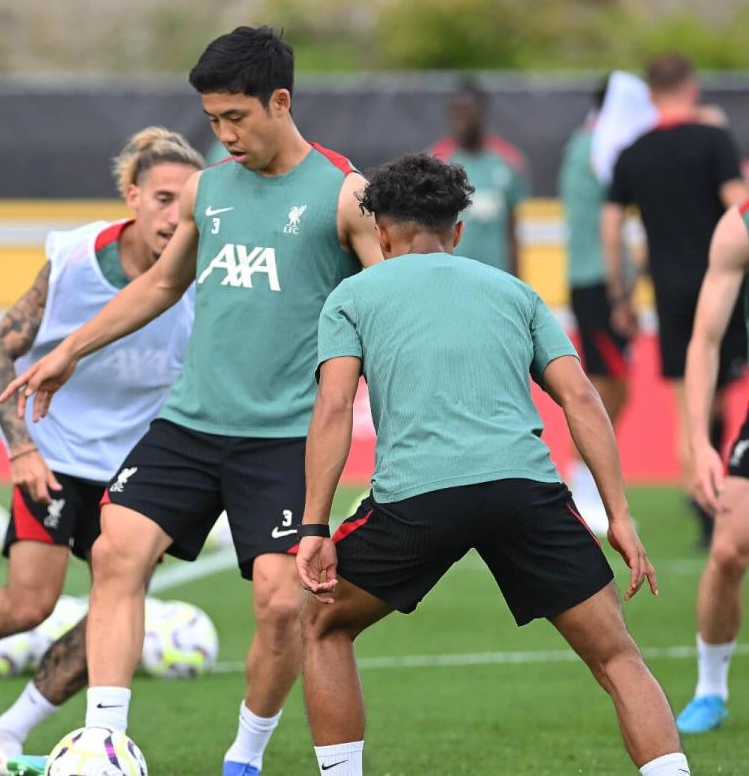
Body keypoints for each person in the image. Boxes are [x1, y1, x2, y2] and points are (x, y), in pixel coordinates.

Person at [2, 26, 381, 776]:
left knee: (281, 606)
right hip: (189, 424)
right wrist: (69, 350)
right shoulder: (210, 188)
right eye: (212, 120)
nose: (223, 134)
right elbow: (162, 284)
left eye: (236, 117)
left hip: (283, 438)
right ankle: (105, 742)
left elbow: (391, 301)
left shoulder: (345, 195)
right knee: (116, 551)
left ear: (280, 101)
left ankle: (244, 755)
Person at [298, 152, 686, 776]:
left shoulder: (352, 296)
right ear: (457, 230)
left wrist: (316, 528)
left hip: (417, 499)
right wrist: (619, 514)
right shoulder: (515, 292)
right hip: (526, 493)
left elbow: (335, 405)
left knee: (322, 623)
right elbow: (581, 398)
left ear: (382, 232)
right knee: (616, 656)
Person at [0, 128, 202, 774]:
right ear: (132, 195)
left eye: (188, 203)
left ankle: (9, 732)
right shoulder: (77, 258)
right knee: (30, 604)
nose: (175, 216)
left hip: (141, 465)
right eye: (163, 198)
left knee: (120, 607)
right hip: (53, 451)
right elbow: (0, 349)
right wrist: (21, 448)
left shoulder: (211, 268)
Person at [603, 52, 748, 550]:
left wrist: (620, 290)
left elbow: (611, 225)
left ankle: (700, 495)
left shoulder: (633, 152)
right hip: (721, 278)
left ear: (649, 95)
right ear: (692, 86)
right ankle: (717, 494)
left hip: (666, 287)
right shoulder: (714, 140)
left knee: (686, 395)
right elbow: (738, 203)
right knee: (724, 387)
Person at [679, 199, 749, 734]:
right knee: (727, 550)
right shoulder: (740, 224)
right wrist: (700, 440)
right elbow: (705, 341)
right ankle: (710, 689)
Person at [561, 78, 633, 534]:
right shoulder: (598, 146)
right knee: (605, 390)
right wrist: (620, 290)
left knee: (614, 389)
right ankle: (580, 484)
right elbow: (610, 227)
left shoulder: (586, 143)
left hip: (595, 282)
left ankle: (586, 482)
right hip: (597, 284)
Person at [427, 78, 529, 276]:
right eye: (454, 113)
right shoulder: (437, 162)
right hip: (453, 278)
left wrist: (519, 282)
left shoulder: (509, 161)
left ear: (481, 112)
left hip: (496, 276)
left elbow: (513, 231)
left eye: (465, 112)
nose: (459, 120)